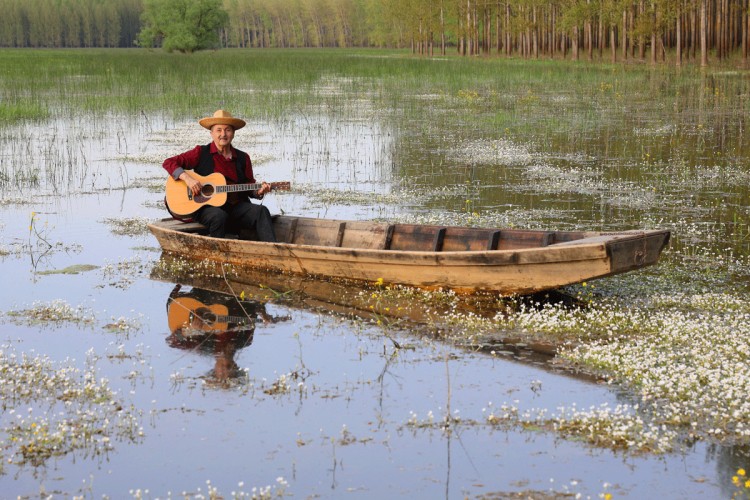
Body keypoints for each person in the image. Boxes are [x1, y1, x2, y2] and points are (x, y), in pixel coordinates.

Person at [162, 109, 276, 241]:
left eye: (227, 130)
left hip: (235, 207)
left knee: (262, 211)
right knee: (219, 216)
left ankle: (274, 250)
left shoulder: (243, 158)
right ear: (211, 133)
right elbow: (169, 162)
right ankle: (218, 254)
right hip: (206, 207)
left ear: (233, 133)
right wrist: (188, 179)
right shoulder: (200, 152)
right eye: (219, 130)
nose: (223, 134)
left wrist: (259, 191)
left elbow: (250, 186)